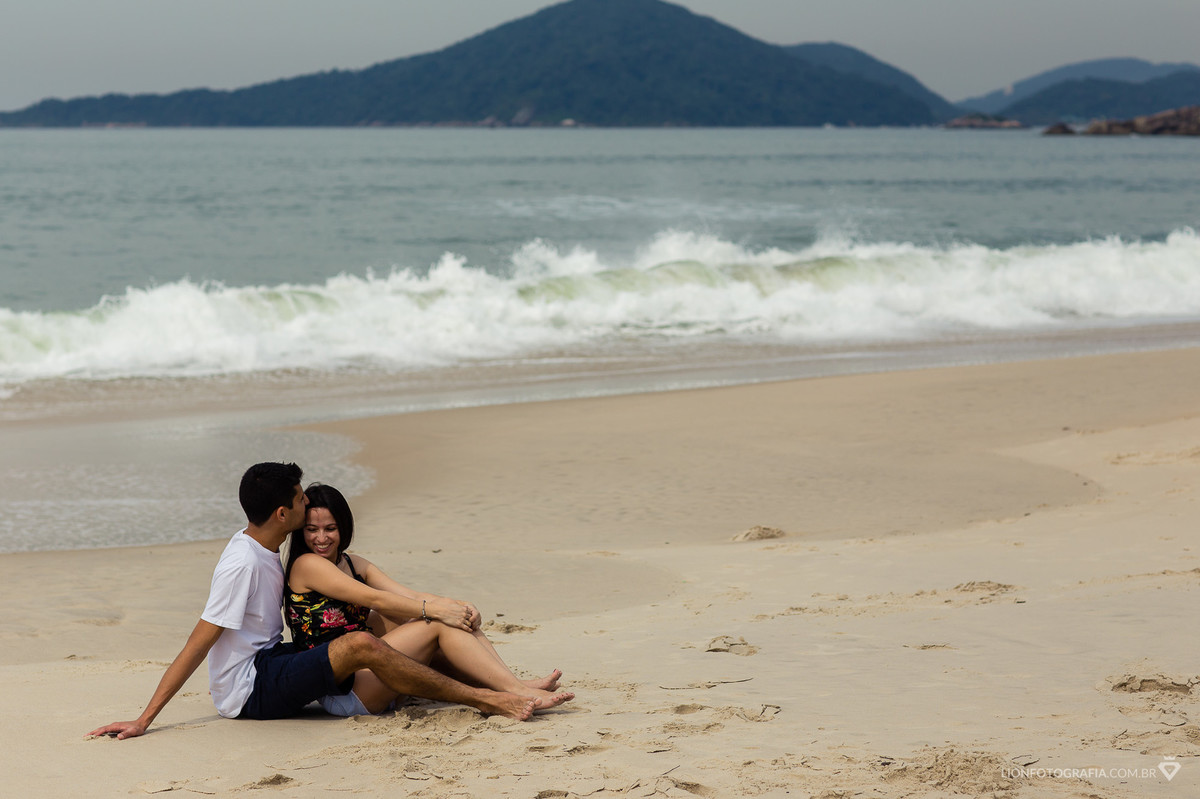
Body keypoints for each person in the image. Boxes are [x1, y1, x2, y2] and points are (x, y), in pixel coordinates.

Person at [88, 462, 542, 740]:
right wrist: (144, 718)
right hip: (248, 689)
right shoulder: (242, 564)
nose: (311, 509)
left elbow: (383, 594)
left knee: (378, 630)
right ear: (284, 514)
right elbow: (198, 642)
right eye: (303, 501)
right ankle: (490, 697)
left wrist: (446, 604)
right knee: (360, 643)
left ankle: (507, 687)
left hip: (271, 659)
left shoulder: (266, 548)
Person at [284, 483, 573, 716]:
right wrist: (437, 611)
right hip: (344, 693)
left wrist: (457, 605)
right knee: (436, 623)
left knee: (449, 615)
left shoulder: (353, 562)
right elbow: (376, 599)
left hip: (372, 669)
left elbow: (409, 595)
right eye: (312, 530)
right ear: (302, 532)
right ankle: (515, 689)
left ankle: (513, 683)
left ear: (343, 527)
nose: (321, 538)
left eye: (330, 528)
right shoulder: (307, 564)